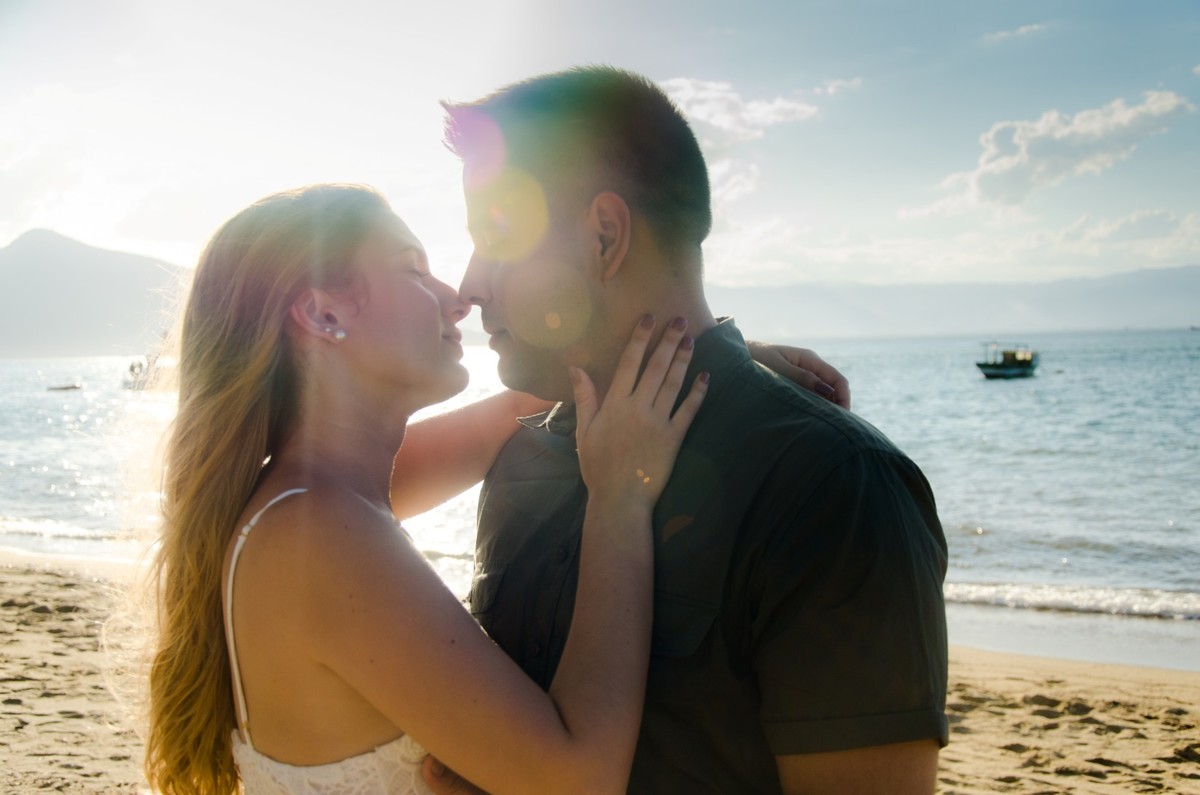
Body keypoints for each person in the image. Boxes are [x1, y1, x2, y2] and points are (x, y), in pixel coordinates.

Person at [423, 67, 949, 794]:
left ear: (606, 236)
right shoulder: (522, 460)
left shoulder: (833, 487)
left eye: (497, 236)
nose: (470, 285)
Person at [142, 183, 710, 795]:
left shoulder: (307, 498)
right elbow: (579, 779)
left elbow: (520, 405)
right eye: (413, 270)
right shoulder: (321, 537)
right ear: (323, 314)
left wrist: (717, 360)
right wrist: (620, 499)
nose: (457, 298)